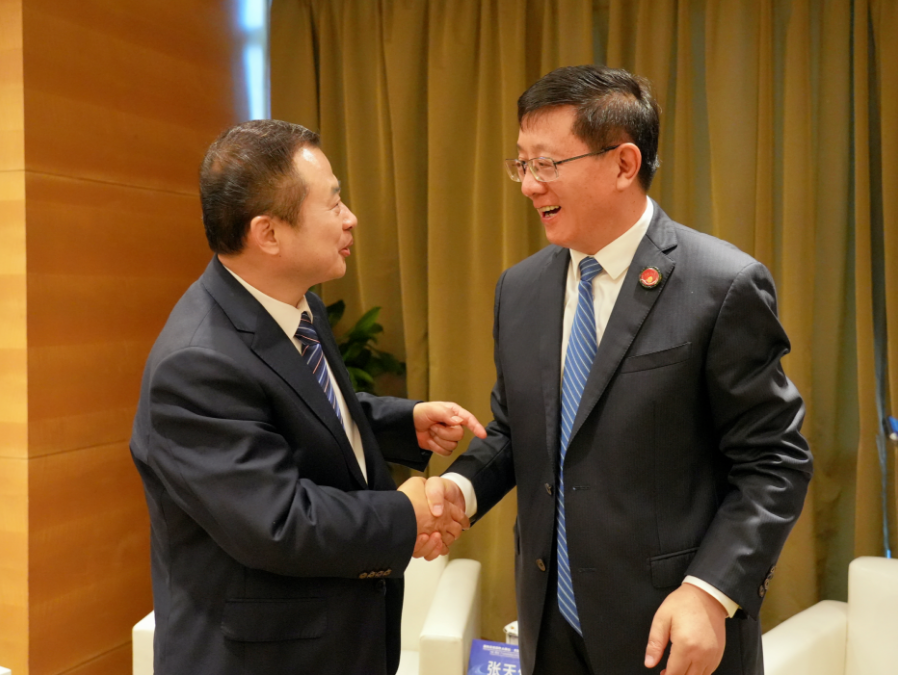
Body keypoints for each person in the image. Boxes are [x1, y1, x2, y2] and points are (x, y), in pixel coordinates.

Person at [428, 65, 813, 674]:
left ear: (623, 164)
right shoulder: (519, 289)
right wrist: (461, 490)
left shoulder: (720, 284)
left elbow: (774, 461)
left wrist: (710, 591)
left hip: (671, 632)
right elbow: (517, 431)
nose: (528, 185)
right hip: (550, 632)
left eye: (547, 164)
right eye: (521, 164)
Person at [130, 119, 484, 675]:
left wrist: (400, 421)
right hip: (266, 657)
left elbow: (301, 408)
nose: (350, 218)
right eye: (333, 203)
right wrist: (406, 514)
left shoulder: (297, 305)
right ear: (268, 234)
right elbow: (279, 523)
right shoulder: (196, 364)